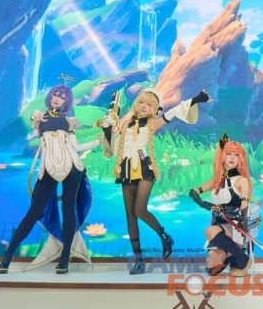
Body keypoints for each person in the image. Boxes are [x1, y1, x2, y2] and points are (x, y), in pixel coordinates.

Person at [100, 87, 211, 274]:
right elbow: (111, 146)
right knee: (130, 216)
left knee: (139, 210)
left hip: (144, 168)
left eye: (149, 104)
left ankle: (164, 236)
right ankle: (139, 260)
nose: (144, 106)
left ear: (154, 108)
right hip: (126, 169)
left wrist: (196, 99)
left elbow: (174, 112)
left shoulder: (153, 124)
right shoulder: (125, 125)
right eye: (141, 102)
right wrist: (107, 130)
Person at [0, 83, 102, 274]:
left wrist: (99, 141)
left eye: (63, 98)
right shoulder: (39, 116)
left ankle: (65, 258)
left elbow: (75, 147)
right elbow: (35, 125)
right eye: (56, 94)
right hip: (48, 168)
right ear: (50, 95)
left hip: (72, 166)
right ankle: (8, 255)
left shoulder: (67, 122)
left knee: (68, 209)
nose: (58, 99)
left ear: (66, 102)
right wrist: (36, 118)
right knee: (34, 211)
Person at [189, 134, 254, 277]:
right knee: (211, 269)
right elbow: (193, 192)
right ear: (223, 156)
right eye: (229, 154)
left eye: (236, 155)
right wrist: (202, 203)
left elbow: (245, 203)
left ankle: (243, 257)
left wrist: (243, 223)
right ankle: (234, 256)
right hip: (219, 227)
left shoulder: (242, 181)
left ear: (241, 159)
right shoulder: (217, 180)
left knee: (209, 231)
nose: (232, 158)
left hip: (235, 227)